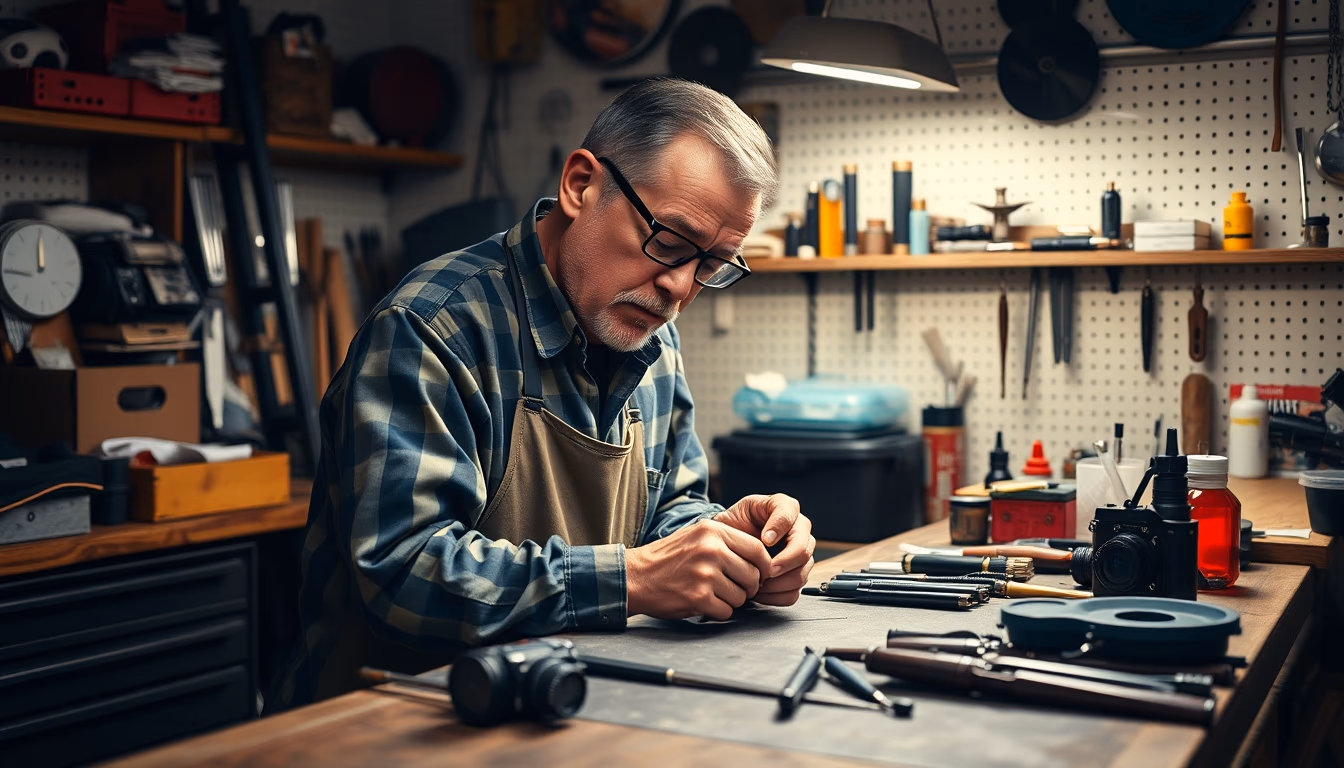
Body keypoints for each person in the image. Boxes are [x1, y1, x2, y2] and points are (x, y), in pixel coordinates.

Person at [271, 78, 814, 709]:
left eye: (712, 266)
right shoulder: (432, 328)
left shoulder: (651, 337)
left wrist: (730, 548)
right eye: (668, 241)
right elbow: (401, 573)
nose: (679, 287)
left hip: (553, 706)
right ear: (581, 185)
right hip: (384, 725)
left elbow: (667, 510)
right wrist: (632, 579)